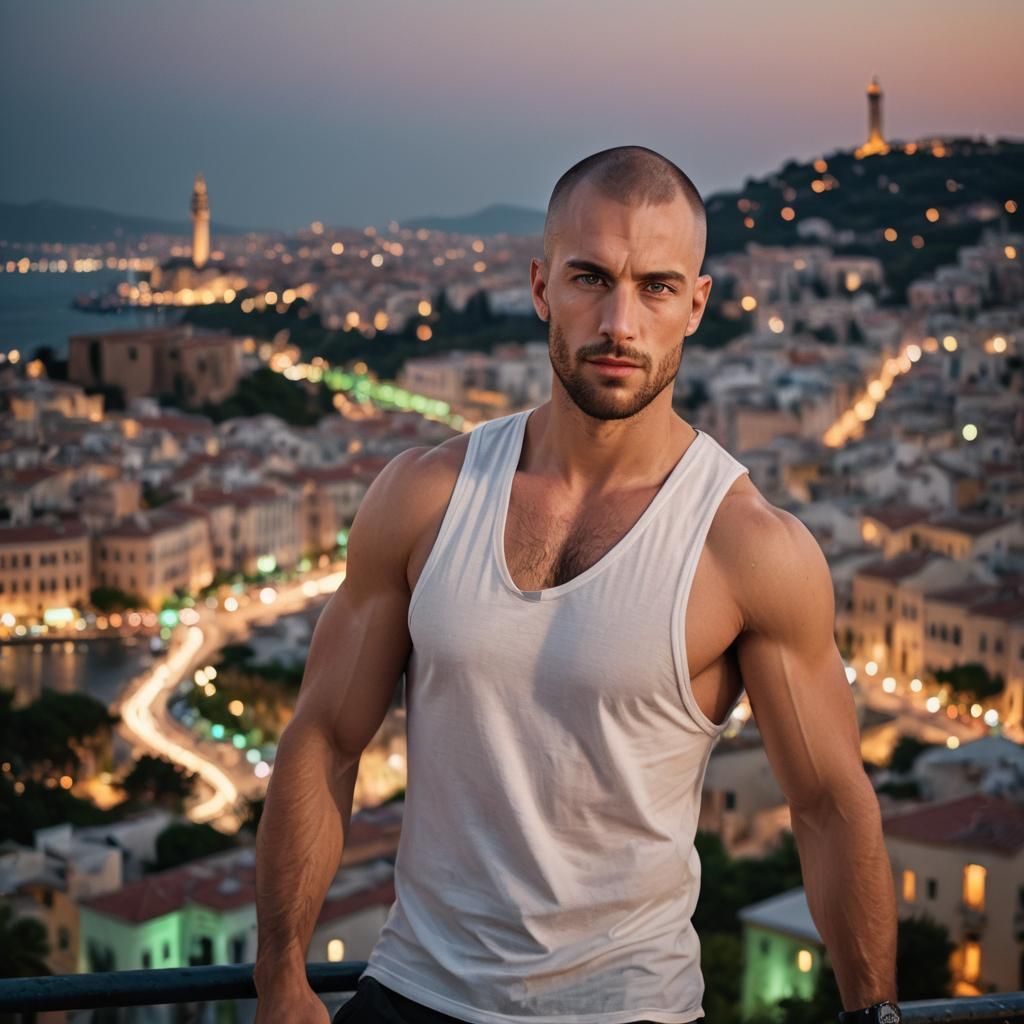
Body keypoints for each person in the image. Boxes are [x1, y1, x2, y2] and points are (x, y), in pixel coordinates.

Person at [253, 146, 899, 1024]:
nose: (619, 322)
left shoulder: (748, 547)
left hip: (628, 1010)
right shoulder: (424, 495)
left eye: (657, 288)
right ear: (540, 286)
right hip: (408, 995)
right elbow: (324, 737)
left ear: (697, 306)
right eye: (590, 278)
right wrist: (281, 977)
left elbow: (828, 804)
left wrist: (877, 1013)